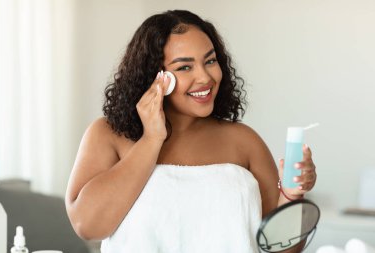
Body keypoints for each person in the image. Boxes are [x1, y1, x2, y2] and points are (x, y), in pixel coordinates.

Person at [65, 10, 316, 253]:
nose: (205, 77)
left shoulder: (244, 141)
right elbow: (88, 226)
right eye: (185, 67)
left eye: (210, 61)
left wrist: (292, 196)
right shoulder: (108, 135)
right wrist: (152, 139)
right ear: (155, 76)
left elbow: (282, 249)